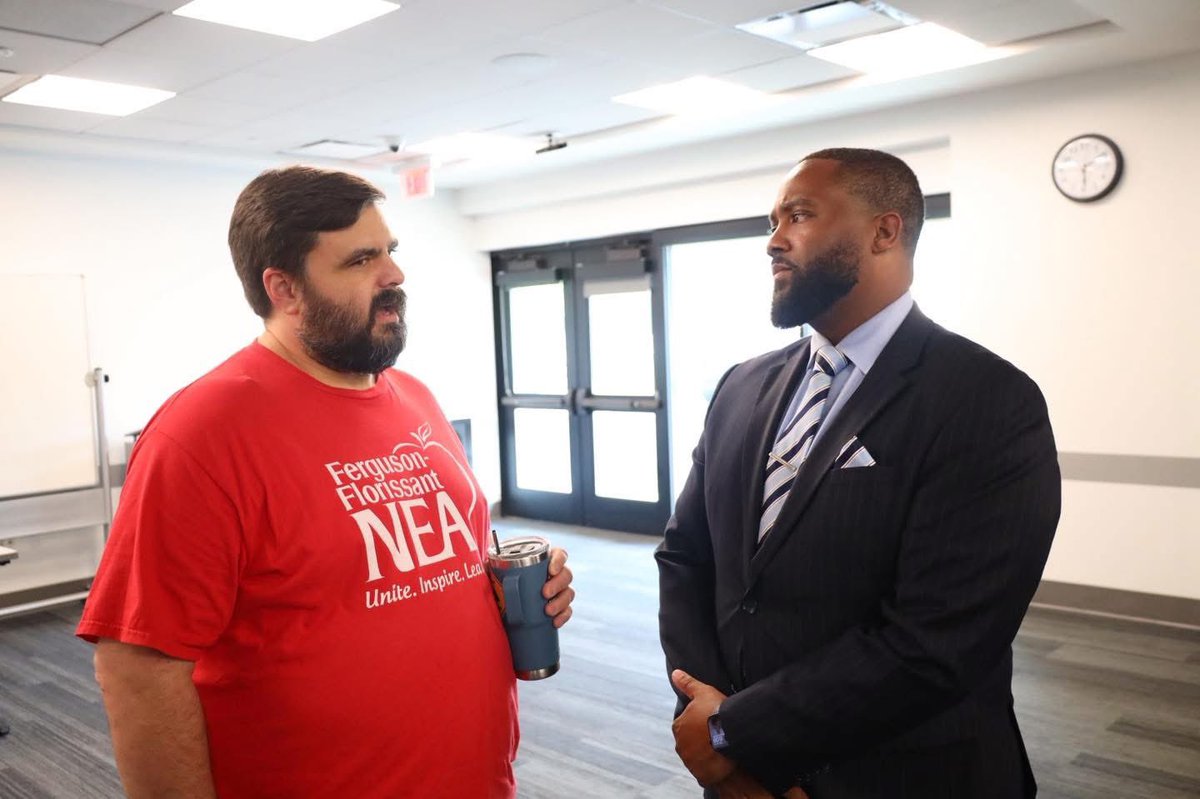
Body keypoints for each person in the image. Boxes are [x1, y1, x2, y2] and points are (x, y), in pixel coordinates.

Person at [77, 166, 575, 798]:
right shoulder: (203, 434)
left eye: (390, 251)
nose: (393, 275)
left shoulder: (413, 398)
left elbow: (444, 555)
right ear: (284, 288)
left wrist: (517, 585)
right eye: (361, 259)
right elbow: (138, 666)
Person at [657, 148, 1060, 799]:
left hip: (901, 775)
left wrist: (738, 732)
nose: (774, 240)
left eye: (800, 214)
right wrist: (707, 725)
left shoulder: (987, 399)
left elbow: (936, 641)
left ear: (885, 230)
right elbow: (685, 557)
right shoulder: (740, 386)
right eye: (772, 218)